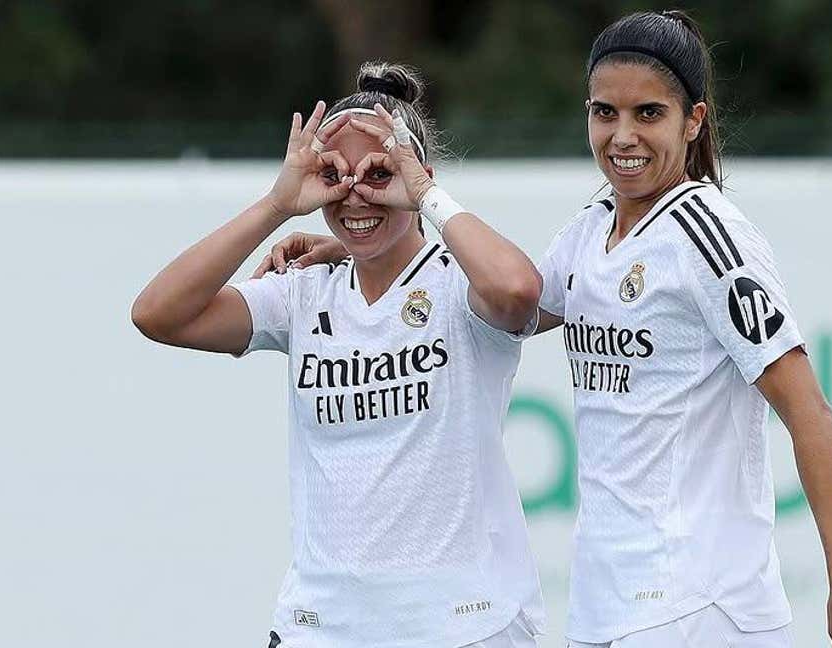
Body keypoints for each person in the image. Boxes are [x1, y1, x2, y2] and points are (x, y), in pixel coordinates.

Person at [264, 12, 832, 648]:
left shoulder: (710, 237)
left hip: (700, 603)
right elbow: (504, 298)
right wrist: (355, 249)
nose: (623, 136)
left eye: (648, 114)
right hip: (610, 607)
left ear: (695, 121)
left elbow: (808, 411)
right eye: (605, 113)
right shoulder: (592, 229)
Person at [131, 62, 545, 648]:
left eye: (380, 173)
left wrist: (425, 196)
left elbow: (519, 290)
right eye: (334, 174)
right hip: (320, 628)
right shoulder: (305, 289)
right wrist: (277, 205)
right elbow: (158, 313)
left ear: (416, 172)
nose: (356, 193)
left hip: (460, 628)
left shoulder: (462, 283)